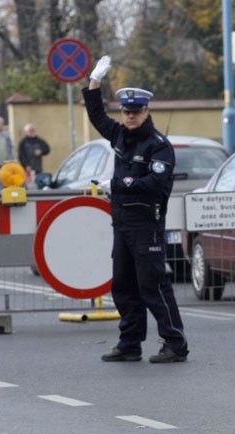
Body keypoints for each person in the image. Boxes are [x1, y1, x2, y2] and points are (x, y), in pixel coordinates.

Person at [82, 55, 189, 364]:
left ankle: (175, 342)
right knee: (123, 286)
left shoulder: (158, 145)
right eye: (126, 111)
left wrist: (119, 184)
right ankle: (130, 343)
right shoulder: (119, 136)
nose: (130, 116)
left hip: (146, 224)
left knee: (152, 285)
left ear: (146, 112)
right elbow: (97, 116)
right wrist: (94, 82)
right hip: (123, 223)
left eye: (136, 111)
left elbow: (155, 182)